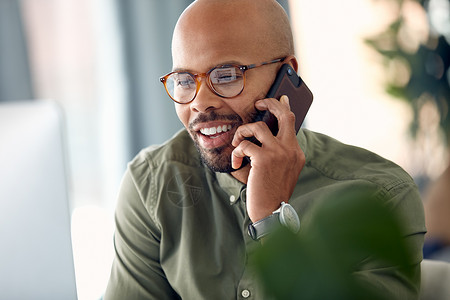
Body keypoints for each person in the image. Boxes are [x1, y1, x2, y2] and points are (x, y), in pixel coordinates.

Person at [105, 0, 426, 299]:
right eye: (185, 80)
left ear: (287, 73)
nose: (200, 103)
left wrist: (272, 224)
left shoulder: (380, 197)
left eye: (227, 75)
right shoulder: (152, 185)